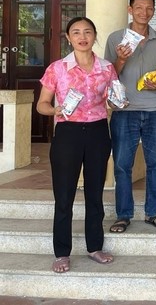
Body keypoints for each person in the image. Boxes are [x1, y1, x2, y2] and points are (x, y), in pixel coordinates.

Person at [37, 17, 120, 273]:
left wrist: (118, 102)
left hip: (97, 132)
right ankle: (62, 252)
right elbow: (42, 104)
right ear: (68, 37)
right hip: (67, 133)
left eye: (87, 32)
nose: (82, 36)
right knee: (64, 196)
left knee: (95, 194)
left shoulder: (107, 68)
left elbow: (112, 100)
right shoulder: (57, 68)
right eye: (76, 32)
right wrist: (56, 109)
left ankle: (94, 247)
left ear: (95, 35)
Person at [105, 0, 156, 233]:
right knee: (123, 165)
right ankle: (123, 214)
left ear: (154, 11)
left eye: (149, 8)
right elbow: (107, 75)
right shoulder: (115, 39)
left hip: (155, 109)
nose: (145, 13)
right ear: (130, 9)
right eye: (139, 8)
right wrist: (122, 59)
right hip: (125, 110)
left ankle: (153, 212)